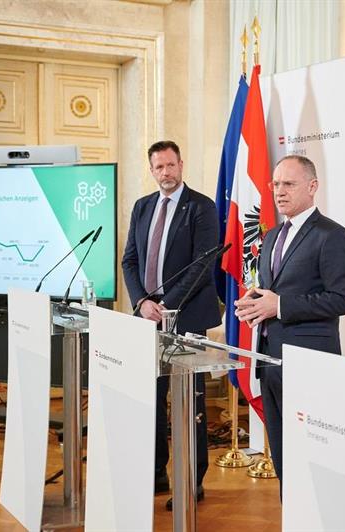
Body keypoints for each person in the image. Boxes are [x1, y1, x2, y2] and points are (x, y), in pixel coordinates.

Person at [233, 155, 345, 491]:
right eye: (275, 183)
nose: (279, 191)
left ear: (312, 187)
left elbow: (343, 299)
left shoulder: (332, 236)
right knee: (285, 461)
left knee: (312, 461)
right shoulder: (272, 236)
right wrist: (255, 304)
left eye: (289, 184)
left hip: (309, 363)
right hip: (271, 363)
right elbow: (275, 293)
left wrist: (280, 305)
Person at [122, 140, 221, 506]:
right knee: (151, 399)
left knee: (188, 405)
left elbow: (203, 264)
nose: (166, 172)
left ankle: (192, 480)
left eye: (170, 165)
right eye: (159, 167)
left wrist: (165, 304)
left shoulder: (201, 207)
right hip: (146, 320)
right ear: (151, 170)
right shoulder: (142, 206)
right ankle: (156, 474)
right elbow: (129, 261)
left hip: (188, 319)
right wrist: (142, 302)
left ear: (181, 164)